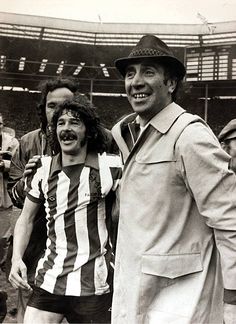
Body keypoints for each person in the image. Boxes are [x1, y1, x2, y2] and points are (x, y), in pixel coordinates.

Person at [111, 34, 236, 324]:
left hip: (181, 301)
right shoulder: (128, 134)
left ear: (171, 83)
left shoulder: (190, 135)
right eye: (130, 74)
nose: (136, 82)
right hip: (138, 292)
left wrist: (232, 297)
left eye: (149, 72)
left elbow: (229, 220)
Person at [9, 97, 122, 323]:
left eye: (75, 123)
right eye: (61, 123)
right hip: (51, 278)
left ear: (89, 131)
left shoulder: (111, 167)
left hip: (94, 283)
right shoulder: (42, 167)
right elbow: (26, 219)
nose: (66, 128)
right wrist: (16, 259)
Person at [7, 77, 80, 323]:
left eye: (67, 104)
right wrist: (28, 181)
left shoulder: (100, 140)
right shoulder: (28, 142)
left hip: (83, 250)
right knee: (31, 313)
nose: (58, 111)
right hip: (37, 245)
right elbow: (14, 196)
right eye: (52, 106)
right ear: (43, 108)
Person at [0, 113, 19, 322]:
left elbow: (15, 167)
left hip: (4, 203)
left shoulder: (11, 141)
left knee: (3, 245)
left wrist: (4, 165)